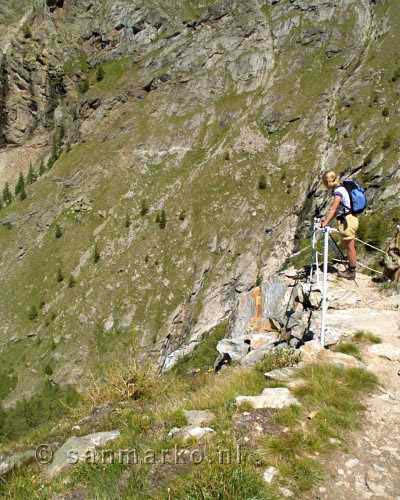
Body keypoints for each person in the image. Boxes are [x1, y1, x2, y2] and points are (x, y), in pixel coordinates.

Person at [321, 170, 359, 280]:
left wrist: (325, 223)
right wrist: (326, 220)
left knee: (350, 247)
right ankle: (351, 269)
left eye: (325, 182)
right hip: (350, 219)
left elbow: (333, 208)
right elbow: (337, 210)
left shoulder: (338, 191)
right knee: (349, 246)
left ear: (329, 182)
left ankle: (351, 272)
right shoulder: (342, 188)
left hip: (348, 222)